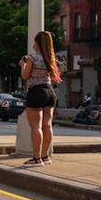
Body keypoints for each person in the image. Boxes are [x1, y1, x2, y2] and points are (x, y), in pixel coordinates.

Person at [20, 31, 61, 167]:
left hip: (36, 92)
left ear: (36, 42)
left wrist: (23, 65)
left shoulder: (32, 57)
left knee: (36, 127)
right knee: (47, 125)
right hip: (49, 92)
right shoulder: (50, 58)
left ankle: (36, 158)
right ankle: (45, 156)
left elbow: (25, 76)